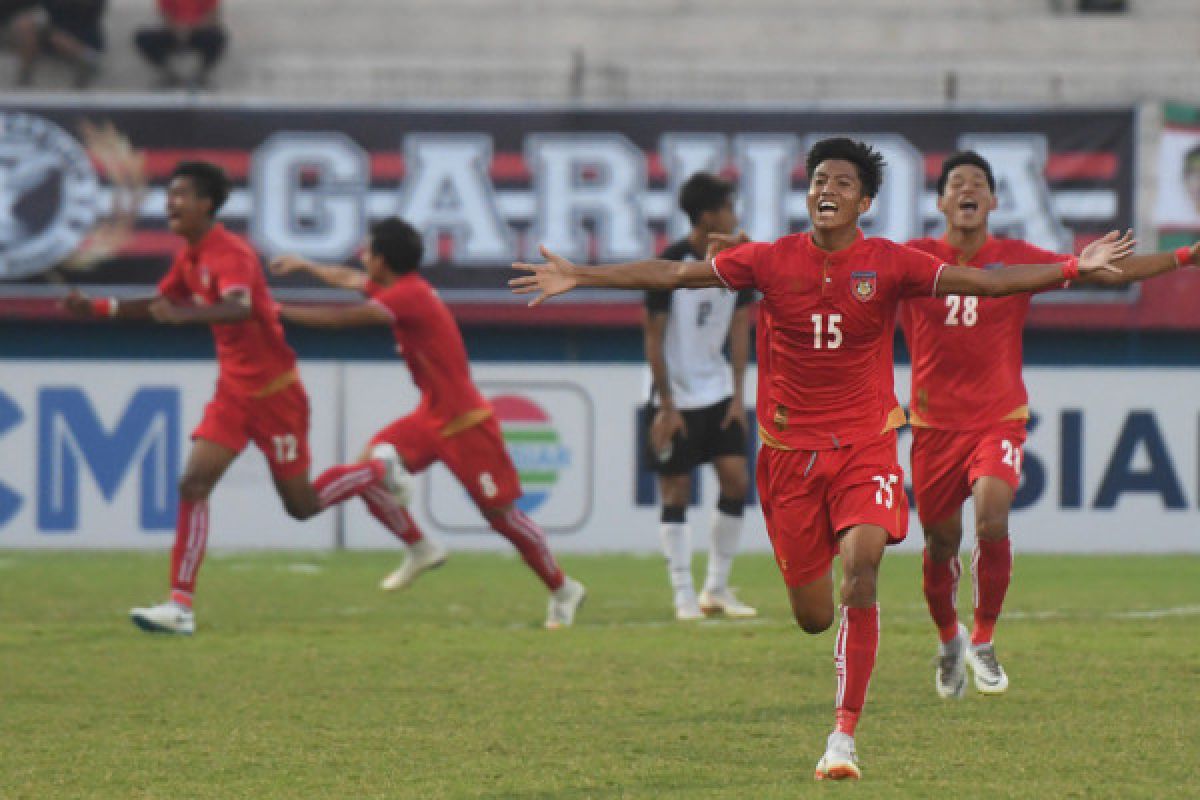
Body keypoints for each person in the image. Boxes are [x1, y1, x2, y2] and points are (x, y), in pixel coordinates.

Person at [511, 137, 1134, 781]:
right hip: (789, 461)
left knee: (861, 572)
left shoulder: (892, 263)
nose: (827, 189)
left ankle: (843, 739)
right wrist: (582, 275)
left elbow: (992, 281)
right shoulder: (772, 260)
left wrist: (1071, 267)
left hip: (866, 448)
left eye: (841, 181)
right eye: (818, 180)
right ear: (808, 195)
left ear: (864, 201)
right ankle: (870, 651)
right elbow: (672, 274)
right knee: (814, 616)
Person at [63, 162, 410, 635]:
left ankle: (376, 470)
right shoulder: (189, 258)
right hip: (234, 394)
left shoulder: (231, 254)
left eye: (181, 195)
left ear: (207, 203)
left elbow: (239, 306)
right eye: (169, 194)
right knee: (193, 484)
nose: (170, 203)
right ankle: (180, 605)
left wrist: (185, 316)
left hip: (275, 395)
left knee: (302, 505)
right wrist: (99, 308)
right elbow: (159, 304)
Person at [902, 150, 1198, 699]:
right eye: (956, 182)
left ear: (991, 201)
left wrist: (1186, 255)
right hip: (932, 428)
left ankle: (984, 641)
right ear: (941, 201)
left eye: (978, 184)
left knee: (992, 517)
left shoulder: (1016, 257)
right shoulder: (914, 260)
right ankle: (949, 641)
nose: (967, 189)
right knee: (940, 546)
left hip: (998, 418)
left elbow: (1104, 273)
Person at [269, 217, 587, 630]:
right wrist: (307, 267)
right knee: (370, 466)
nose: (362, 259)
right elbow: (348, 280)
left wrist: (277, 312)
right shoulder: (398, 289)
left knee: (502, 517)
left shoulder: (409, 296)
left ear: (382, 260)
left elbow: (345, 318)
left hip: (467, 422)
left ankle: (564, 590)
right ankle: (420, 546)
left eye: (368, 252)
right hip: (432, 415)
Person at [644, 172, 756, 621]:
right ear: (710, 216)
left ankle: (716, 588)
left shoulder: (736, 265)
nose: (734, 215)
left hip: (718, 393)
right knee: (676, 488)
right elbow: (653, 338)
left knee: (735, 480)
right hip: (675, 397)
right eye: (729, 208)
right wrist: (666, 406)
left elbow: (740, 326)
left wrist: (737, 395)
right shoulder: (670, 264)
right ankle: (682, 593)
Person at [11, 0, 106, 88]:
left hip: (82, 36)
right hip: (51, 33)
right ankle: (24, 76)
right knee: (25, 24)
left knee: (55, 37)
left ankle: (86, 59)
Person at [134, 0, 227, 89]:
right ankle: (169, 74)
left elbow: (213, 15)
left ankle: (200, 76)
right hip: (174, 31)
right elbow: (165, 14)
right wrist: (177, 28)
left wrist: (192, 28)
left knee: (218, 36)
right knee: (143, 37)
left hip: (198, 31)